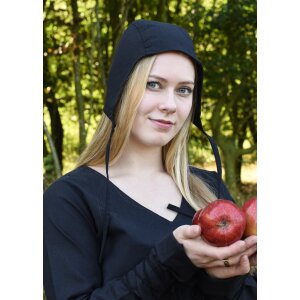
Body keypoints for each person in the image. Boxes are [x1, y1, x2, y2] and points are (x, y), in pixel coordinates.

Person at [43, 20, 257, 300]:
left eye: (184, 90)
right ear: (121, 90)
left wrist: (223, 279)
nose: (170, 104)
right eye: (153, 84)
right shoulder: (69, 199)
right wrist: (169, 260)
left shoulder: (208, 189)